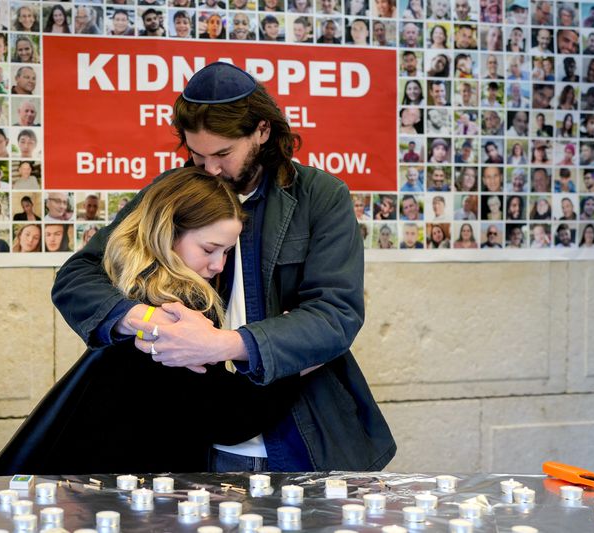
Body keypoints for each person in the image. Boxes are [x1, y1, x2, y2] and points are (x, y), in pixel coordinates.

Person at [52, 62, 395, 472]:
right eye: (197, 155)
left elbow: (335, 315)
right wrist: (147, 320)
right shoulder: (175, 192)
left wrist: (220, 345)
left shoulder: (321, 196)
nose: (211, 169)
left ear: (262, 132)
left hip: (305, 437)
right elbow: (76, 277)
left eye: (223, 154)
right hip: (194, 445)